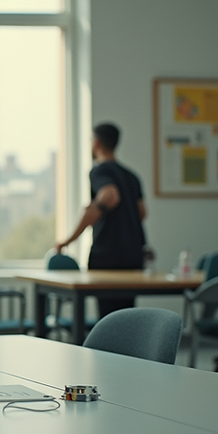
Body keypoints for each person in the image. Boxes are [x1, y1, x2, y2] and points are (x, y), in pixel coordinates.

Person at [54, 122, 146, 318]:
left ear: (96, 143)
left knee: (108, 319)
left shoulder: (99, 171)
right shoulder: (132, 176)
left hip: (108, 256)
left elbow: (110, 195)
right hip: (133, 255)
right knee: (127, 317)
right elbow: (142, 212)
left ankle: (107, 350)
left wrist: (68, 240)